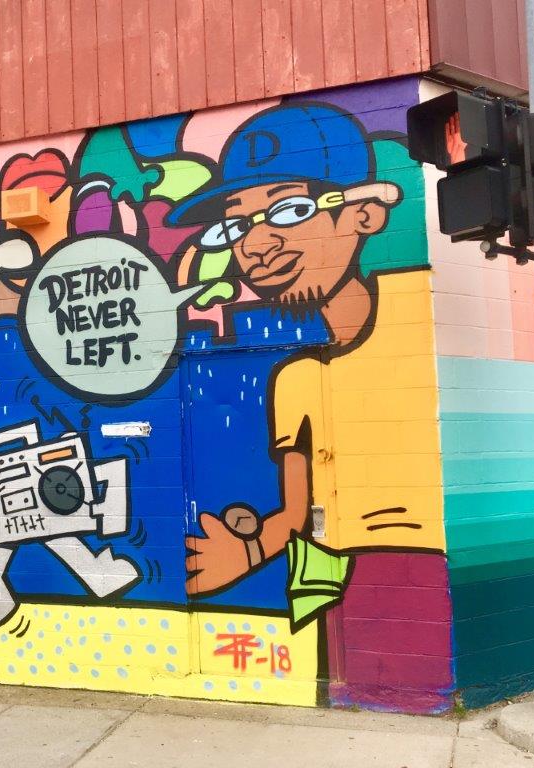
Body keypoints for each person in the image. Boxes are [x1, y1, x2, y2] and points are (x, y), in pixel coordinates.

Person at [171, 102, 445, 628]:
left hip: (421, 579)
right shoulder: (295, 378)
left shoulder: (416, 304)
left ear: (365, 214)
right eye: (236, 226)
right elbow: (295, 515)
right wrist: (247, 554)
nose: (256, 245)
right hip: (344, 588)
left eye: (290, 211)